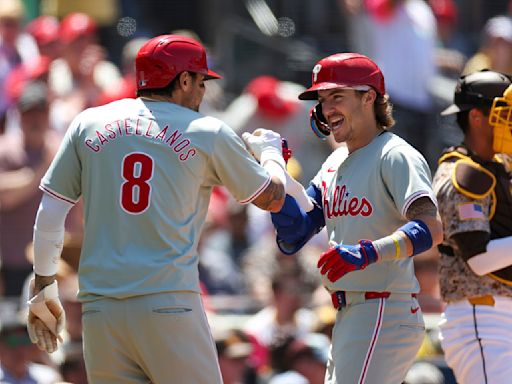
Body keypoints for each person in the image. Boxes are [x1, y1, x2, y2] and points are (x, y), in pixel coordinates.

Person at [25, 34, 286, 384]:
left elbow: (51, 211)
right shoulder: (205, 130)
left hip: (102, 311)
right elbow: (272, 198)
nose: (202, 91)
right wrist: (271, 154)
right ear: (182, 80)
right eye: (200, 80)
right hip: (168, 302)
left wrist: (44, 284)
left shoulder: (89, 121)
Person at [243, 52, 443, 383]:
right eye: (322, 99)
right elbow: (296, 232)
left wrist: (369, 252)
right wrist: (273, 167)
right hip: (351, 311)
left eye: (337, 96)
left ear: (369, 97)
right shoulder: (335, 160)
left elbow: (431, 228)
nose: (327, 108)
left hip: (384, 307)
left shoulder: (395, 154)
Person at [432, 69, 512, 384]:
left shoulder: (503, 168)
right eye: (505, 113)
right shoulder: (461, 174)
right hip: (481, 318)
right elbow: (478, 259)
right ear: (477, 117)